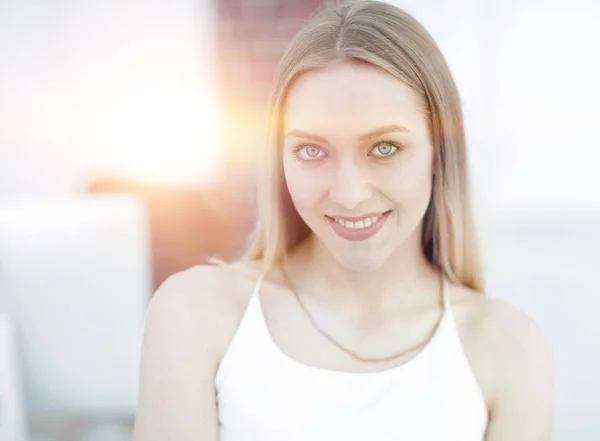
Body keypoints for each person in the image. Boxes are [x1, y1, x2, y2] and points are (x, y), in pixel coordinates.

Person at [133, 1, 555, 440]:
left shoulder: (509, 347)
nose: (348, 194)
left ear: (438, 153)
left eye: (385, 148)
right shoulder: (197, 313)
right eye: (312, 151)